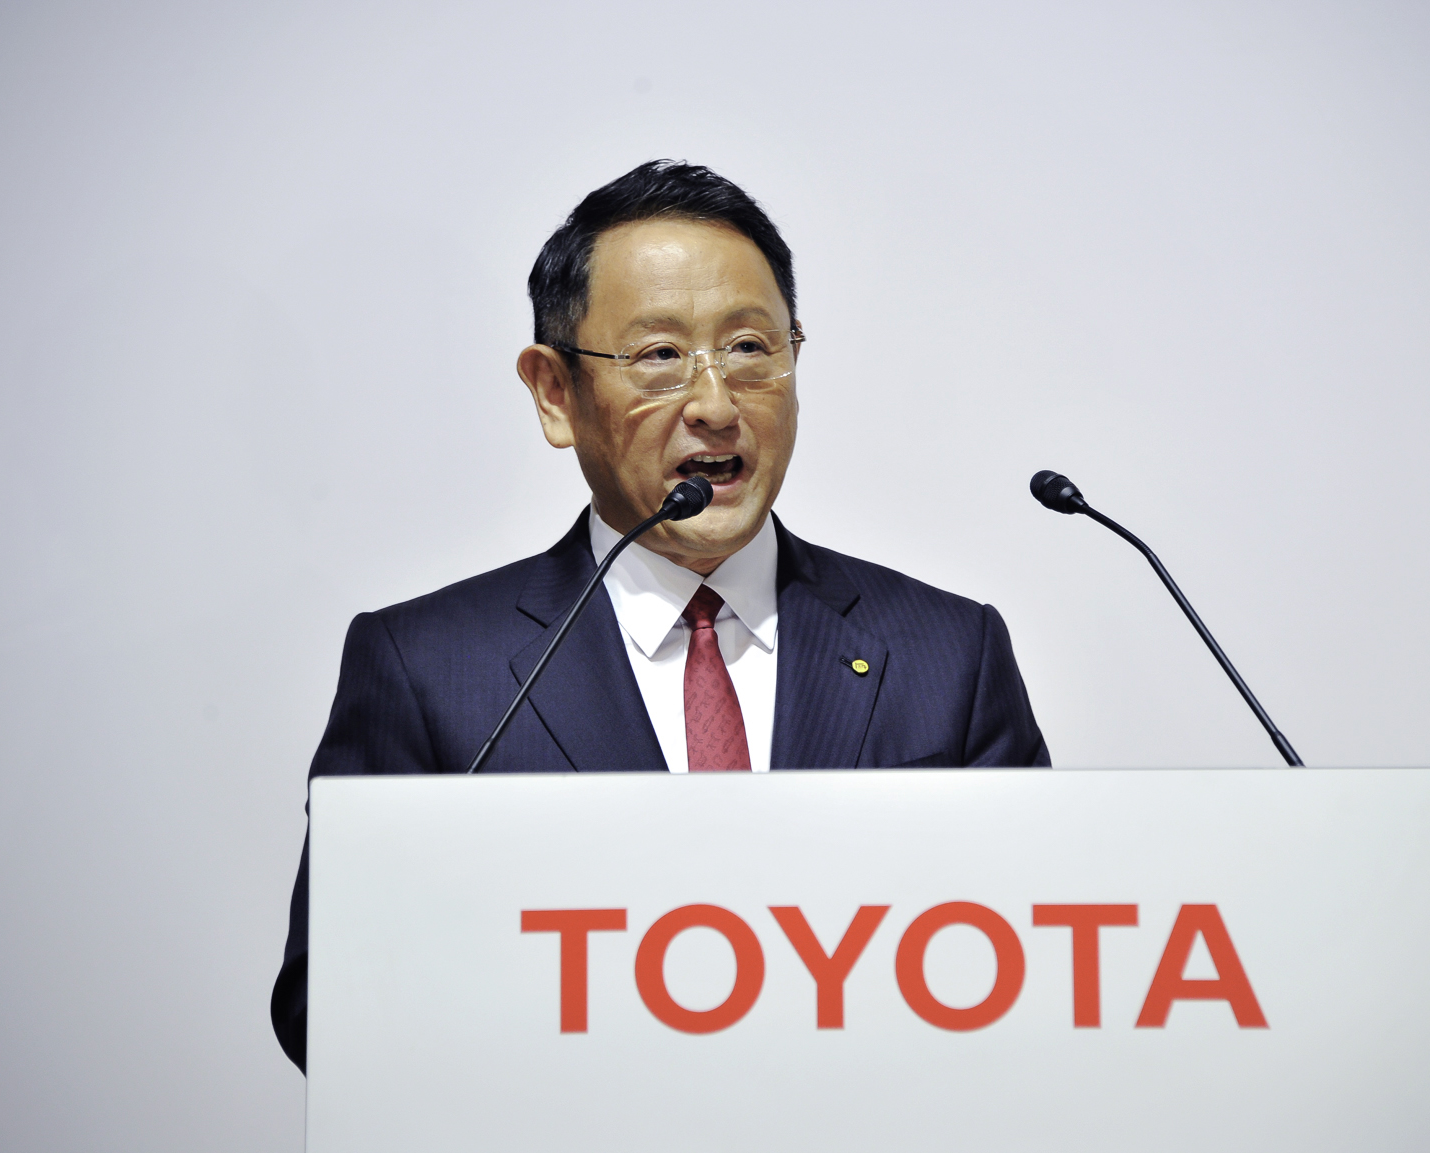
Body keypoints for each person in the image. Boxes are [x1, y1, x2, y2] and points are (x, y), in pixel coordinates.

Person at [271, 160, 1049, 1071]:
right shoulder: (430, 670)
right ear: (555, 394)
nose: (715, 404)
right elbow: (330, 1004)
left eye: (750, 347)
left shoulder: (948, 655)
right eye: (658, 356)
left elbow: (1042, 970)